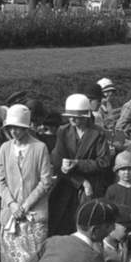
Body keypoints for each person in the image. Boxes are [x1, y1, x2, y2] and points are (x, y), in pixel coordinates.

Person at [0, 104, 55, 262]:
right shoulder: (4, 148)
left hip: (34, 212)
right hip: (11, 212)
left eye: (19, 128)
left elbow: (46, 181)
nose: (15, 132)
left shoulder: (39, 148)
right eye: (11, 128)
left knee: (33, 256)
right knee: (12, 254)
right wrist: (12, 205)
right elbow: (0, 181)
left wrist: (26, 204)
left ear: (27, 128)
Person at [51, 94, 115, 237]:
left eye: (77, 116)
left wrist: (77, 164)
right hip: (68, 183)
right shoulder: (63, 131)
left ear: (86, 116)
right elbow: (57, 160)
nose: (72, 119)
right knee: (62, 225)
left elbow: (103, 163)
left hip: (92, 187)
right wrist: (80, 181)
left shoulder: (98, 133)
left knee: (88, 225)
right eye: (70, 116)